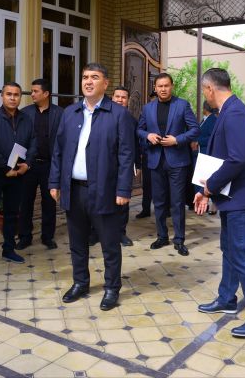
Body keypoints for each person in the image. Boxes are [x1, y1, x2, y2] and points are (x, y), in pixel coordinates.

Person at [49, 63, 134, 311]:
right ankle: (80, 282)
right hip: (74, 190)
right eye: (85, 77)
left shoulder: (118, 114)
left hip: (105, 191)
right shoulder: (70, 113)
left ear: (105, 84)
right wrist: (55, 182)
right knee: (77, 242)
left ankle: (112, 288)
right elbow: (58, 151)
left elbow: (126, 155)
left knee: (109, 244)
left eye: (94, 77)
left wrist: (123, 190)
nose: (88, 81)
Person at [193, 67, 245, 338]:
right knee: (229, 249)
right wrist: (206, 191)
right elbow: (221, 157)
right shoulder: (229, 110)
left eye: (204, 90)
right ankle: (227, 299)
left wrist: (210, 186)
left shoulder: (235, 113)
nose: (205, 95)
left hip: (242, 199)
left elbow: (236, 159)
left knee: (241, 255)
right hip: (231, 197)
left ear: (209, 88)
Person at [137, 73, 198, 256]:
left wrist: (177, 140)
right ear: (155, 88)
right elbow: (139, 129)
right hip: (155, 160)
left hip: (177, 161)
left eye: (166, 85)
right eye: (160, 86)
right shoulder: (147, 108)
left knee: (177, 202)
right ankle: (162, 236)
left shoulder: (182, 105)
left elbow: (195, 129)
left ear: (172, 86)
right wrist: (148, 135)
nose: (163, 89)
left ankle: (179, 240)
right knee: (159, 201)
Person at [0, 82, 36, 272]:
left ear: (20, 97)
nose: (12, 98)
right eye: (8, 94)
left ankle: (9, 249)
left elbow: (33, 142)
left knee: (12, 214)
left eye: (16, 95)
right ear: (2, 96)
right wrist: (5, 168)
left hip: (18, 174)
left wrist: (27, 164)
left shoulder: (26, 119)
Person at [17, 78, 63, 250]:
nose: (32, 94)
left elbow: (63, 140)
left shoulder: (60, 113)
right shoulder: (25, 113)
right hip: (28, 165)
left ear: (46, 93)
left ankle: (47, 237)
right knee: (25, 202)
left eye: (35, 91)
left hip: (50, 165)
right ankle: (24, 237)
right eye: (32, 91)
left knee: (49, 202)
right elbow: (20, 139)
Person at [111, 86, 139, 246]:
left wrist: (138, 164)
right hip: (104, 167)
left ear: (127, 101)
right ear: (112, 98)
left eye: (123, 97)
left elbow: (136, 145)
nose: (120, 100)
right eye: (117, 96)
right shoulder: (102, 117)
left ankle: (121, 233)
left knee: (123, 202)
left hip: (124, 167)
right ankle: (95, 233)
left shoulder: (131, 120)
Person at [135, 90, 157, 219]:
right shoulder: (146, 112)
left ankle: (165, 208)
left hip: (163, 153)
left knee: (162, 184)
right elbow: (140, 131)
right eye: (152, 100)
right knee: (147, 183)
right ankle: (145, 209)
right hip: (148, 153)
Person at [197, 100, 219, 216]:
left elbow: (212, 138)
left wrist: (198, 141)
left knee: (209, 179)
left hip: (208, 153)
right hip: (202, 153)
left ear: (205, 108)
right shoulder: (205, 119)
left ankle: (213, 206)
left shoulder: (213, 120)